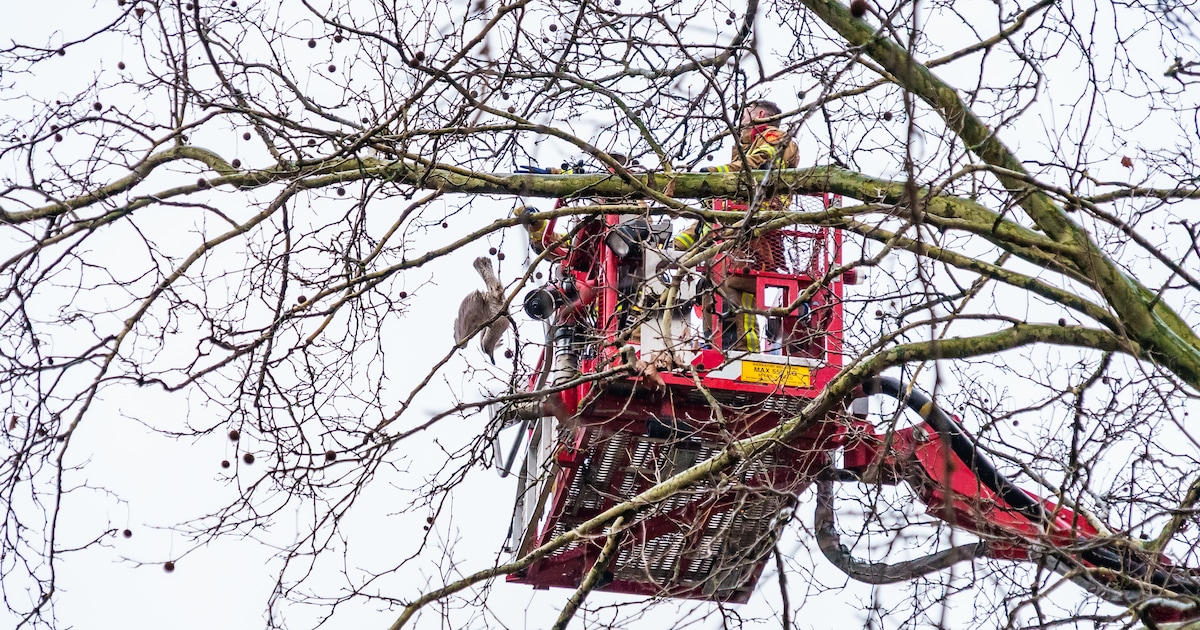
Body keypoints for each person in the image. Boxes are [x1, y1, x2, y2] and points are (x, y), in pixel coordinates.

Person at [674, 100, 800, 353]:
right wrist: (674, 248)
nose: (739, 123)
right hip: (734, 231)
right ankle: (719, 348)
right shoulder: (745, 157)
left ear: (760, 115)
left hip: (757, 231)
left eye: (744, 116)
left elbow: (755, 164)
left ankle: (743, 353)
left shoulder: (775, 137)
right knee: (712, 288)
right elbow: (706, 222)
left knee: (735, 288)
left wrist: (712, 175)